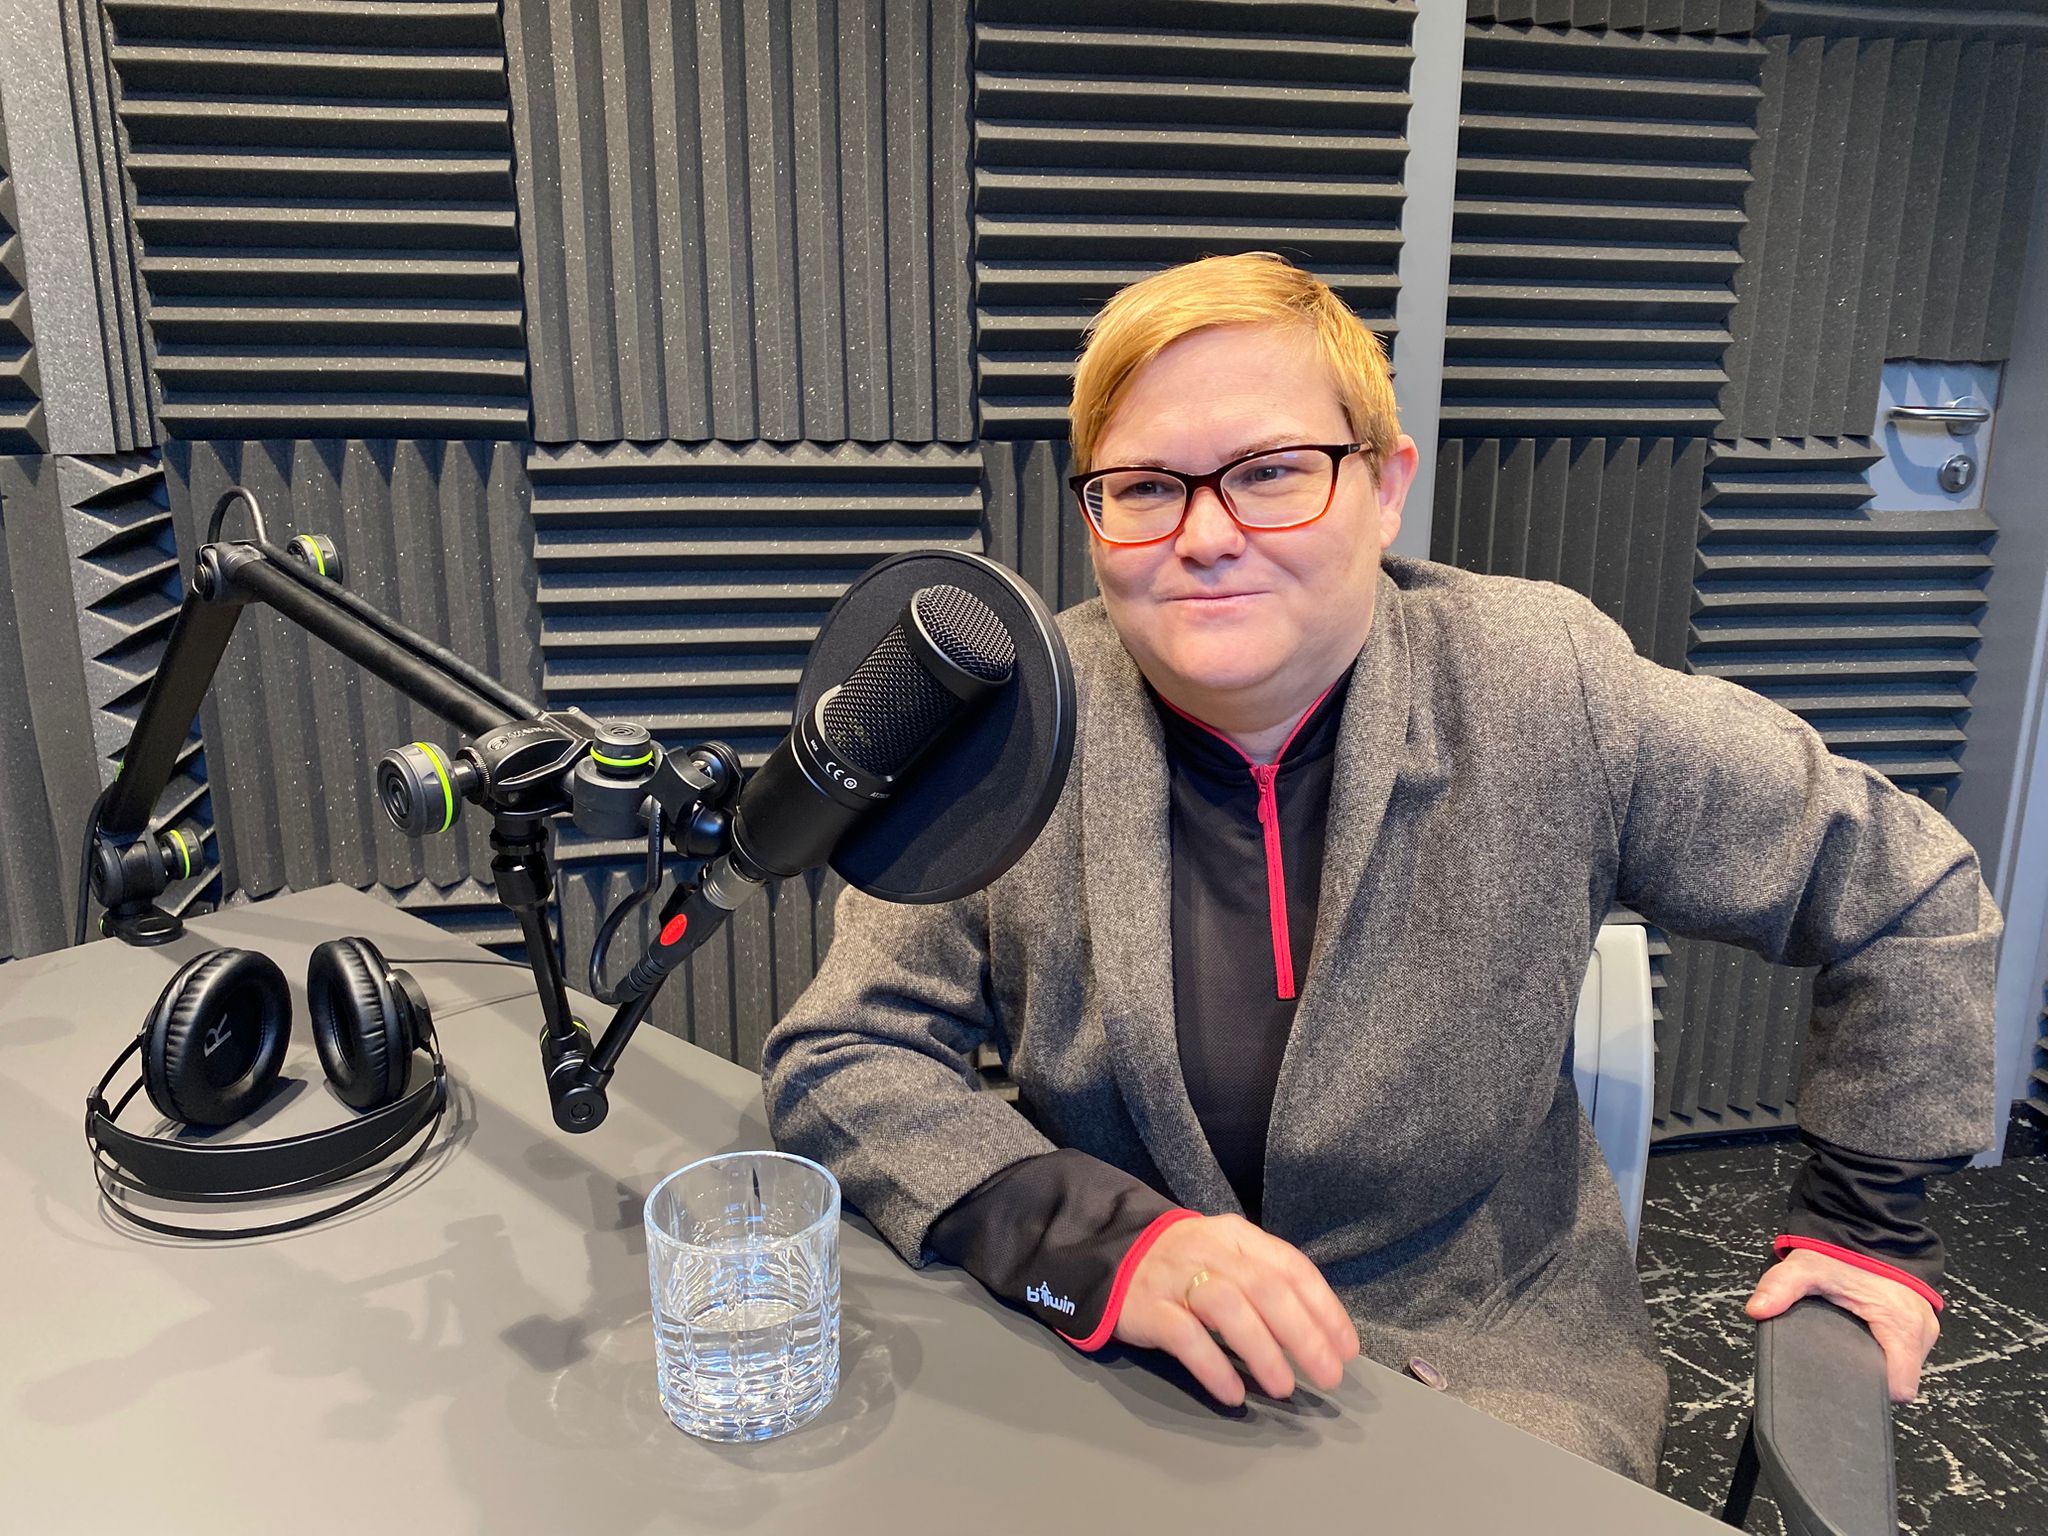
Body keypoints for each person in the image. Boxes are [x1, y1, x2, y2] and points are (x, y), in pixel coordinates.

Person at [757, 252, 2001, 1484]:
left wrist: (1864, 1227)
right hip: (1114, 1362)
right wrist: (1093, 1242)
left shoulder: (1541, 683)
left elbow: (1902, 890)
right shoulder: (1013, 731)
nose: (1205, 536)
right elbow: (842, 1052)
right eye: (1143, 487)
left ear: (1384, 485)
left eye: (1270, 472)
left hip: (1484, 1358)